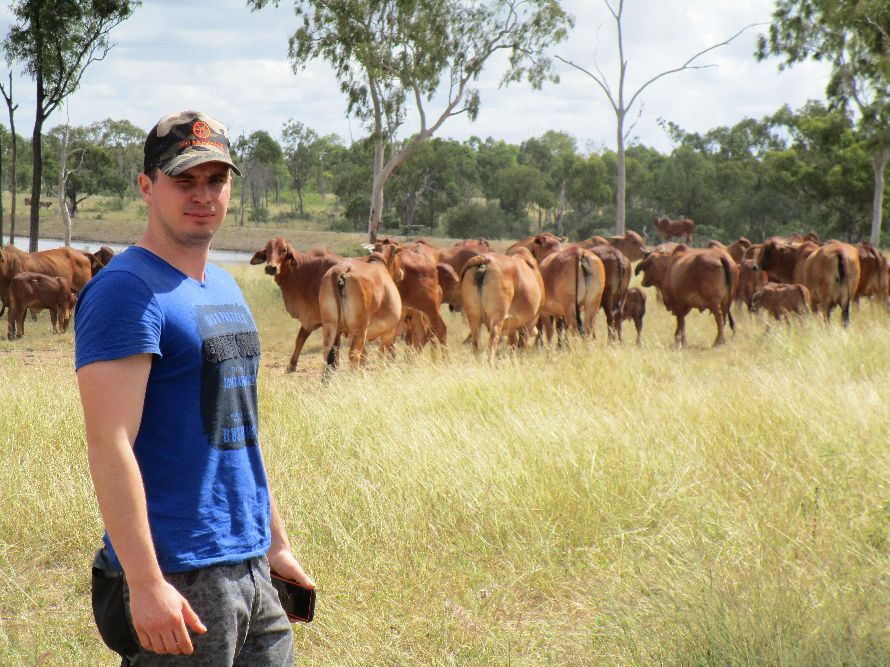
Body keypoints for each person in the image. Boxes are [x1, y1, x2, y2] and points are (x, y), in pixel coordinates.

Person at [75, 110, 314, 665]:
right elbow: (109, 444)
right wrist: (146, 582)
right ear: (146, 186)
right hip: (178, 570)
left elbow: (240, 431)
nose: (203, 195)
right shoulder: (125, 292)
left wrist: (275, 544)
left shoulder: (225, 286)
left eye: (216, 180)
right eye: (184, 180)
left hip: (251, 564)